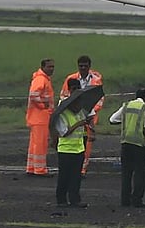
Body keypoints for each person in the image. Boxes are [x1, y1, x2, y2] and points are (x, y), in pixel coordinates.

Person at [59, 55, 104, 177]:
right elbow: (63, 96)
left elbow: (100, 99)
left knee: (87, 142)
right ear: (77, 66)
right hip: (73, 115)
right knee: (74, 140)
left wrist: (89, 111)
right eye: (80, 66)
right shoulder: (71, 79)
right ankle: (74, 168)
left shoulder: (96, 80)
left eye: (85, 66)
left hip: (90, 115)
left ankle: (82, 169)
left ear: (90, 66)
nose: (83, 68)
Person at [109, 89, 145, 208]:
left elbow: (112, 120)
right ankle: (137, 200)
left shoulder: (126, 105)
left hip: (125, 144)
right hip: (139, 145)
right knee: (140, 174)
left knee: (126, 174)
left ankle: (125, 200)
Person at [54, 78, 91, 207]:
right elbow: (64, 132)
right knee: (64, 176)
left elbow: (85, 124)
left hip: (79, 149)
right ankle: (61, 200)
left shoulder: (80, 111)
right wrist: (79, 124)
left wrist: (88, 127)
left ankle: (75, 200)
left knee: (76, 177)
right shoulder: (62, 112)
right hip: (65, 150)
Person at [26, 58, 55, 176]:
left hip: (38, 117)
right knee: (40, 144)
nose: (52, 69)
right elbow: (33, 95)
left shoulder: (43, 79)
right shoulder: (41, 79)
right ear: (43, 67)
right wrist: (43, 105)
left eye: (53, 67)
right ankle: (40, 169)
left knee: (35, 144)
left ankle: (32, 167)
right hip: (40, 117)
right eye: (49, 67)